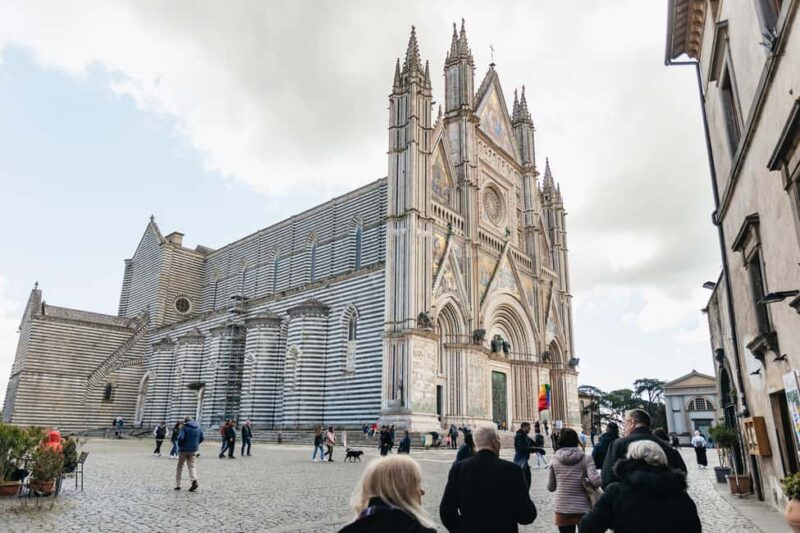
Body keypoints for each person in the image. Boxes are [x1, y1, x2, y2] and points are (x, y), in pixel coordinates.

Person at [579, 440, 701, 533]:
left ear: (630, 459)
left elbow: (588, 526)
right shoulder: (679, 493)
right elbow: (694, 528)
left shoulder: (616, 491)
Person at [439, 425, 537, 532]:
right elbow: (526, 515)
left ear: (476, 444)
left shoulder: (458, 469)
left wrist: (463, 529)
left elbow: (446, 511)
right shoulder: (513, 470)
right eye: (498, 440)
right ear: (495, 442)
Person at [339, 454, 436, 533]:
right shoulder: (418, 530)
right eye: (417, 484)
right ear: (403, 489)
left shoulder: (348, 530)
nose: (422, 491)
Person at [601, 409, 686, 488]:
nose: (624, 428)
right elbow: (681, 475)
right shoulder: (667, 446)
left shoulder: (617, 445)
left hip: (627, 500)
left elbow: (607, 478)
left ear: (632, 423)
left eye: (625, 424)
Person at [547, 428, 601, 533]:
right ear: (576, 440)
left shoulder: (554, 459)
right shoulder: (586, 458)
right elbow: (596, 481)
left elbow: (551, 487)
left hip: (562, 507)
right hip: (583, 507)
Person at [175, 416, 204, 492]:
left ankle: (178, 485)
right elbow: (202, 437)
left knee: (180, 466)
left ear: (185, 421)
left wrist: (180, 445)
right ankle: (194, 480)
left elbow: (181, 438)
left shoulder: (184, 427)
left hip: (183, 450)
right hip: (193, 450)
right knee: (192, 466)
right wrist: (196, 444)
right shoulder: (198, 427)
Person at [513, 422, 536, 489]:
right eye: (528, 428)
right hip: (520, 460)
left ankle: (525, 496)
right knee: (524, 481)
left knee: (527, 480)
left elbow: (533, 443)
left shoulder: (525, 436)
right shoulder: (519, 436)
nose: (529, 429)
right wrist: (535, 449)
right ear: (524, 427)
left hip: (524, 461)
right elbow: (522, 448)